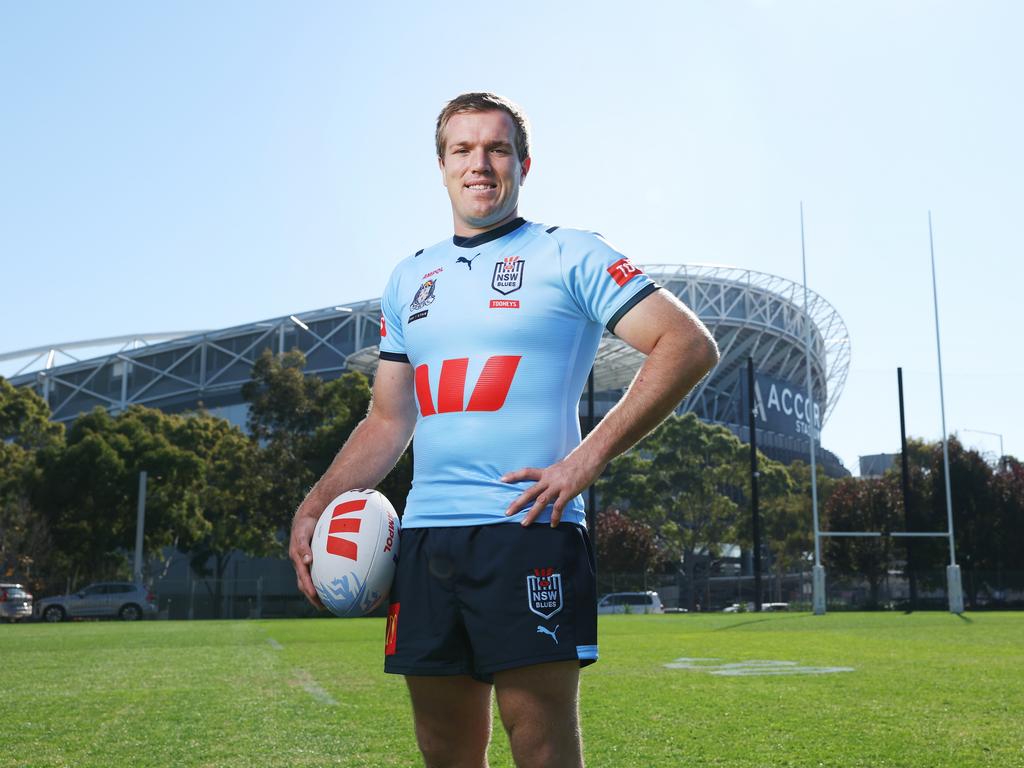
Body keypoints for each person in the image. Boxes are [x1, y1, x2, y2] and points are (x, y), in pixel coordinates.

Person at [290, 92, 719, 768]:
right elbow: (388, 418)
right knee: (444, 751)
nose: (479, 164)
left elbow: (687, 343)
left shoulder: (569, 254)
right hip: (426, 538)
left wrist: (584, 461)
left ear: (523, 162)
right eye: (463, 149)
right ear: (441, 165)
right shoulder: (410, 278)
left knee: (540, 744)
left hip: (527, 527)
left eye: (496, 149)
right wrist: (316, 505)